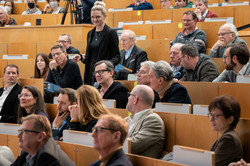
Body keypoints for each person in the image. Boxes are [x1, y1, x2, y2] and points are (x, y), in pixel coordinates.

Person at [72, 1, 120, 86]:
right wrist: (81, 57)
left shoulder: (110, 32)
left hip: (103, 74)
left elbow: (116, 57)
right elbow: (90, 55)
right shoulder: (90, 33)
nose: (94, 20)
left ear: (105, 16)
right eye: (92, 17)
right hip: (90, 73)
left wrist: (105, 66)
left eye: (98, 17)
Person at [11, 114, 75, 166]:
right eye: (20, 131)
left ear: (41, 136)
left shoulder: (48, 158)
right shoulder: (27, 150)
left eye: (24, 132)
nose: (18, 136)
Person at [125, 85, 165, 159]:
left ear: (135, 99)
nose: (128, 98)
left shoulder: (153, 120)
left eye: (129, 95)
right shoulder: (127, 119)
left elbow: (132, 146)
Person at [208, 95, 243, 166]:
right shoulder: (226, 135)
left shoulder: (229, 139)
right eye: (210, 115)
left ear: (230, 119)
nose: (211, 119)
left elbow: (211, 164)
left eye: (216, 116)